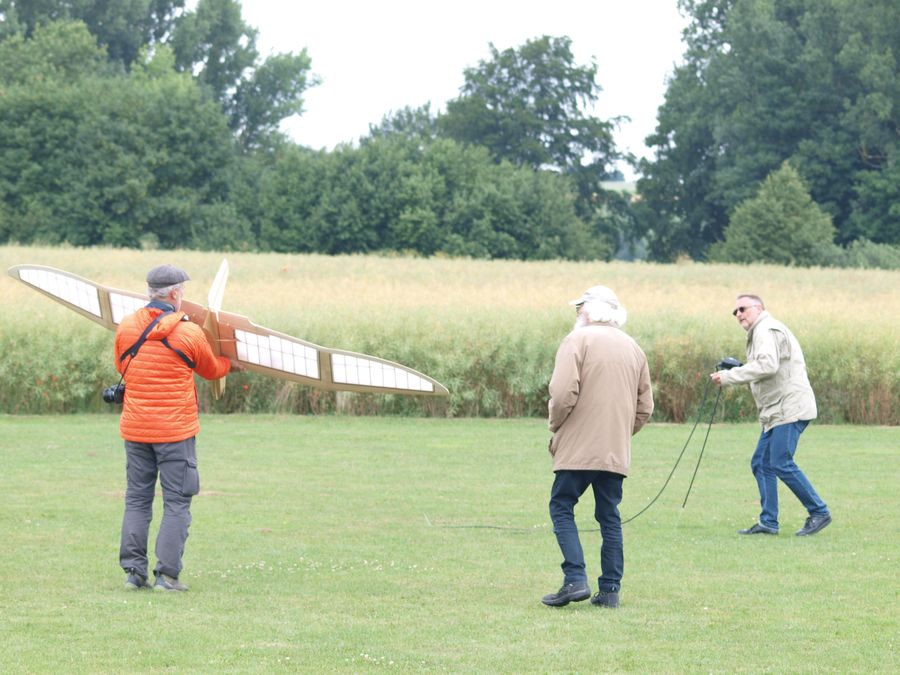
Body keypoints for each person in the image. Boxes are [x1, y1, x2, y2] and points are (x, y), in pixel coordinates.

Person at [115, 264, 237, 592]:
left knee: (137, 499)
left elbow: (121, 364)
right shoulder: (189, 333)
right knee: (177, 502)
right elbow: (212, 370)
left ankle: (133, 573)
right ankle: (167, 576)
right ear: (174, 294)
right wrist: (230, 364)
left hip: (136, 430)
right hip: (175, 433)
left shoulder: (126, 327)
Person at [542, 285, 654, 609]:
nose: (576, 314)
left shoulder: (577, 340)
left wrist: (556, 425)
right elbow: (644, 407)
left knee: (561, 506)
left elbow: (562, 394)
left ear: (590, 310)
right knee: (609, 516)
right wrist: (619, 433)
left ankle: (575, 578)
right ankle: (610, 590)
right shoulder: (634, 348)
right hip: (614, 450)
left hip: (577, 448)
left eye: (579, 308)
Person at [711, 294, 831, 537]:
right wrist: (738, 368)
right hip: (777, 410)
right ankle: (768, 523)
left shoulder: (766, 328)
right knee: (761, 463)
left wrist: (729, 377)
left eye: (742, 309)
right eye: (734, 312)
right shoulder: (760, 332)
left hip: (789, 408)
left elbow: (767, 366)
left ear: (758, 308)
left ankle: (819, 512)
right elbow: (767, 368)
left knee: (780, 462)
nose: (738, 314)